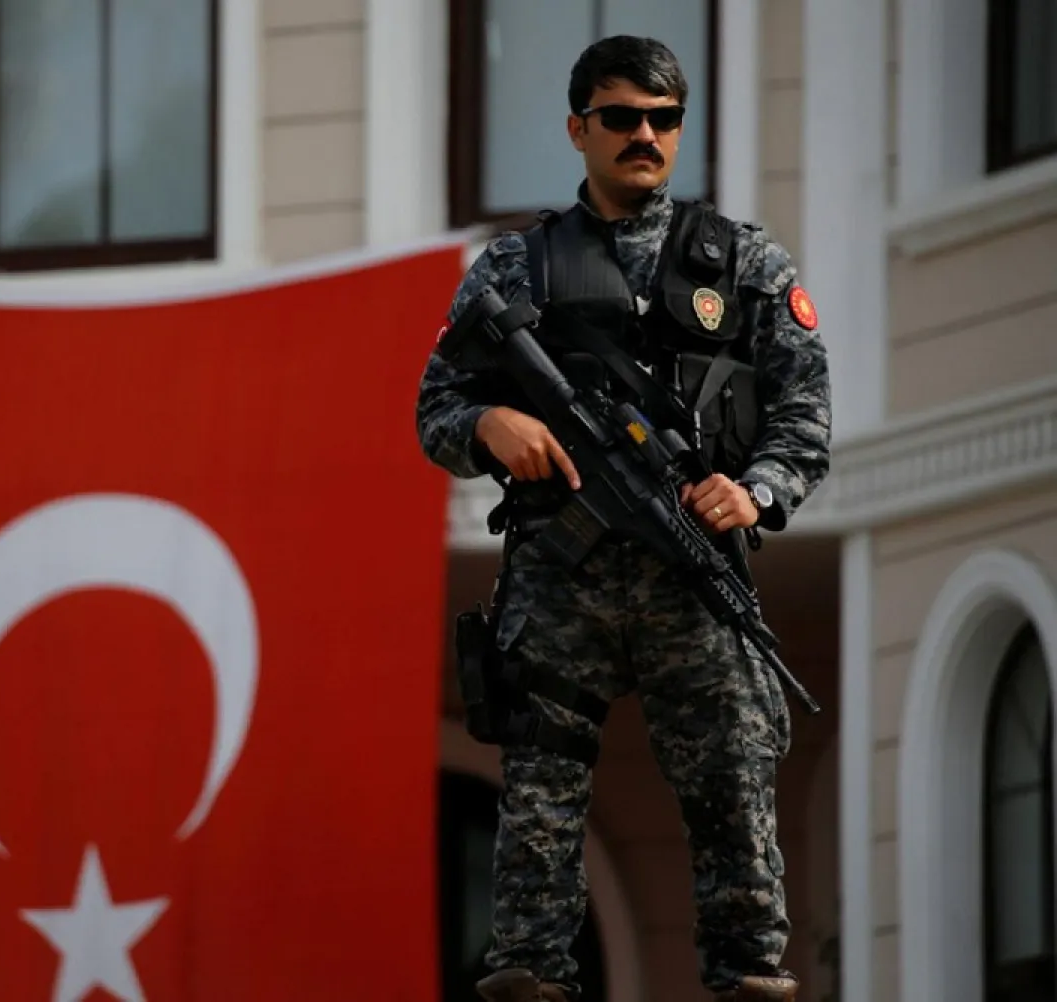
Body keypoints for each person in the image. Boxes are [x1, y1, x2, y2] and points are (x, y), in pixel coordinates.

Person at [416, 35, 831, 1002]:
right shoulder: (517, 268)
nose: (644, 135)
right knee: (540, 804)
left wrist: (755, 491)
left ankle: (748, 981)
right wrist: (491, 423)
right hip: (563, 579)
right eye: (621, 117)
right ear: (578, 128)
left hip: (696, 576)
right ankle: (529, 978)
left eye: (664, 118)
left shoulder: (744, 262)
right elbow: (436, 406)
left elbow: (804, 417)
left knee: (734, 779)